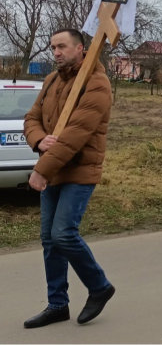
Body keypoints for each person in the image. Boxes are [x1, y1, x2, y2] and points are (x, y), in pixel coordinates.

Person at [22, 29, 115, 328]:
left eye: (62, 46)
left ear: (81, 48)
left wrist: (41, 169)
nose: (57, 52)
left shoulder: (97, 83)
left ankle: (99, 286)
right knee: (50, 240)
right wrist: (39, 141)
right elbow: (31, 119)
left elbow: (75, 135)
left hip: (79, 170)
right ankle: (57, 304)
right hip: (54, 167)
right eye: (53, 47)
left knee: (63, 233)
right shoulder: (51, 80)